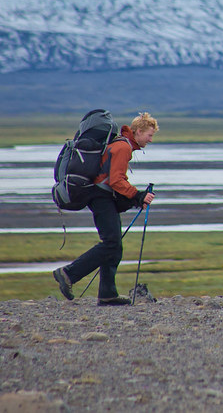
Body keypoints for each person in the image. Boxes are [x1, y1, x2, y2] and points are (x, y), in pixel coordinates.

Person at [53, 112, 158, 305]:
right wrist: (137, 195)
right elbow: (116, 180)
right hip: (100, 198)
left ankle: (107, 294)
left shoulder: (122, 145)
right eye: (149, 135)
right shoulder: (123, 147)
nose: (151, 140)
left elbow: (112, 180)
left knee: (115, 246)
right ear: (139, 131)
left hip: (102, 196)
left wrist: (136, 199)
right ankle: (68, 274)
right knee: (111, 243)